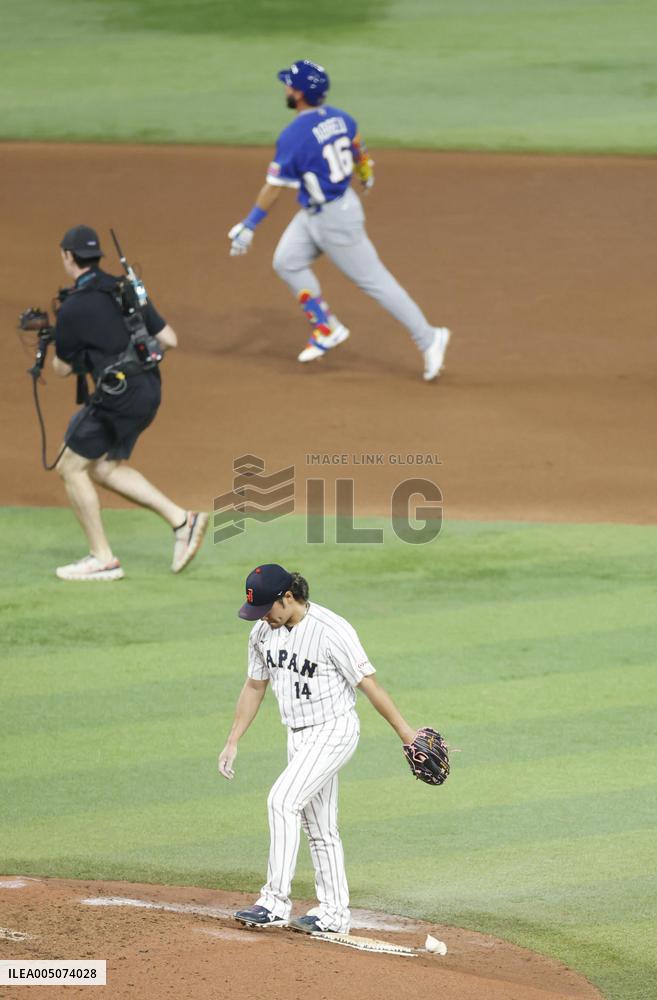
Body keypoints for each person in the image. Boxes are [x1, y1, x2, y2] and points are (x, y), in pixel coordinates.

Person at [218, 563, 419, 934]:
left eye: (267, 609)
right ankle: (334, 913)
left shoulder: (332, 631)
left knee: (282, 800)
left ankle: (274, 901)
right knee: (319, 827)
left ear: (288, 597)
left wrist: (406, 733)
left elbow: (369, 685)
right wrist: (233, 740)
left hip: (334, 731)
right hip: (298, 737)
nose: (262, 618)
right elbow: (254, 686)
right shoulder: (262, 633)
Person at [227, 59, 451, 382]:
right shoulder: (341, 118)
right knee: (287, 262)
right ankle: (326, 327)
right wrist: (366, 174)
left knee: (376, 282)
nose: (286, 89)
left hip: (336, 220)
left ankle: (429, 337)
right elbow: (359, 149)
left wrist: (249, 225)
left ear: (300, 94)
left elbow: (274, 188)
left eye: (289, 85)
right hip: (317, 213)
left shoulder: (294, 135)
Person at [51, 224, 208, 581]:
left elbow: (61, 368)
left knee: (69, 464)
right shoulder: (124, 286)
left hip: (117, 398)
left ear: (68, 257)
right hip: (148, 390)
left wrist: (58, 343)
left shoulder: (72, 308)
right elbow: (168, 339)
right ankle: (183, 520)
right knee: (104, 468)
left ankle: (102, 557)